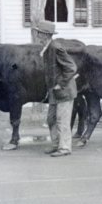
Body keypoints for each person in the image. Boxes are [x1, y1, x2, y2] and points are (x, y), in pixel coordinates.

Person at [33, 20, 78, 157]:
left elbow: (71, 67)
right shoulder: (47, 48)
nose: (37, 35)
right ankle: (56, 144)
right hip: (54, 92)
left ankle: (65, 148)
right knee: (51, 119)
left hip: (64, 91)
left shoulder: (56, 48)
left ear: (44, 34)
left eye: (39, 33)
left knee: (62, 120)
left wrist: (61, 84)